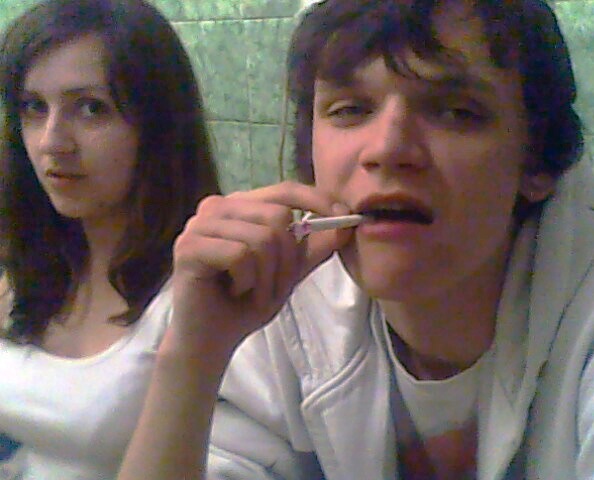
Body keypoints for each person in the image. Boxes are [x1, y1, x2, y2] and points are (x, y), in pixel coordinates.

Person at [123, 0, 594, 478]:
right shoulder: (285, 306)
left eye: (456, 112)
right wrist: (193, 357)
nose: (388, 149)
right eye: (350, 110)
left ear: (536, 162)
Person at [0, 0, 219, 478]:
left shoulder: (203, 295)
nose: (52, 141)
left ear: (158, 127)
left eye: (90, 108)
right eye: (34, 107)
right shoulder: (29, 271)